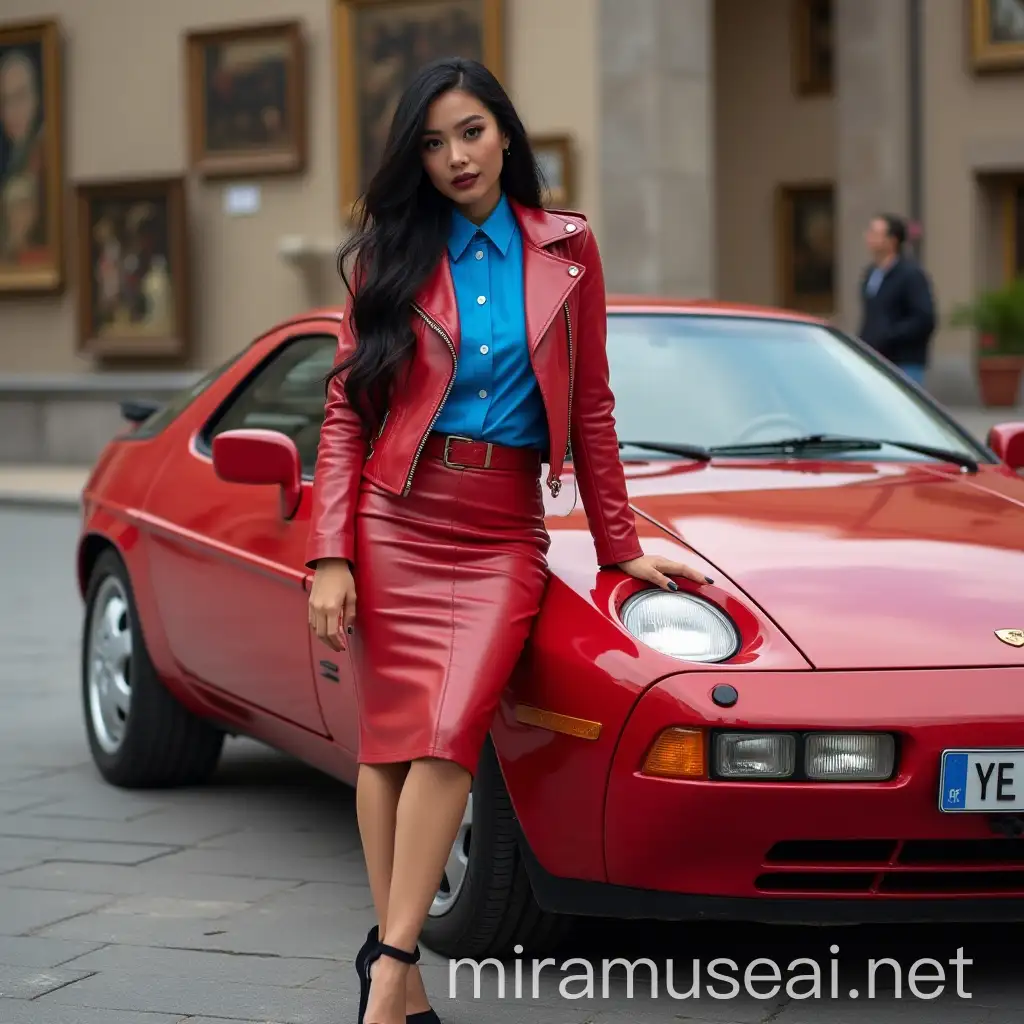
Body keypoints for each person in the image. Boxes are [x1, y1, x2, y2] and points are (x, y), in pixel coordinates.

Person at [305, 57, 711, 1024]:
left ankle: (388, 962)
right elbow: (344, 412)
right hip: (395, 516)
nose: (455, 157)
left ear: (507, 134)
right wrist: (331, 553)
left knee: (450, 735)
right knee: (390, 748)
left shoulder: (567, 249)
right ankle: (397, 975)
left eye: (472, 133)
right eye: (435, 142)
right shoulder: (389, 255)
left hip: (501, 532)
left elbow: (594, 407)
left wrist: (618, 546)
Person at [859, 213, 936, 386]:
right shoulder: (871, 274)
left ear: (892, 240)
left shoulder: (910, 275)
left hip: (904, 364)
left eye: (875, 233)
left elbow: (924, 319)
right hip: (875, 360)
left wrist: (889, 335)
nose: (868, 237)